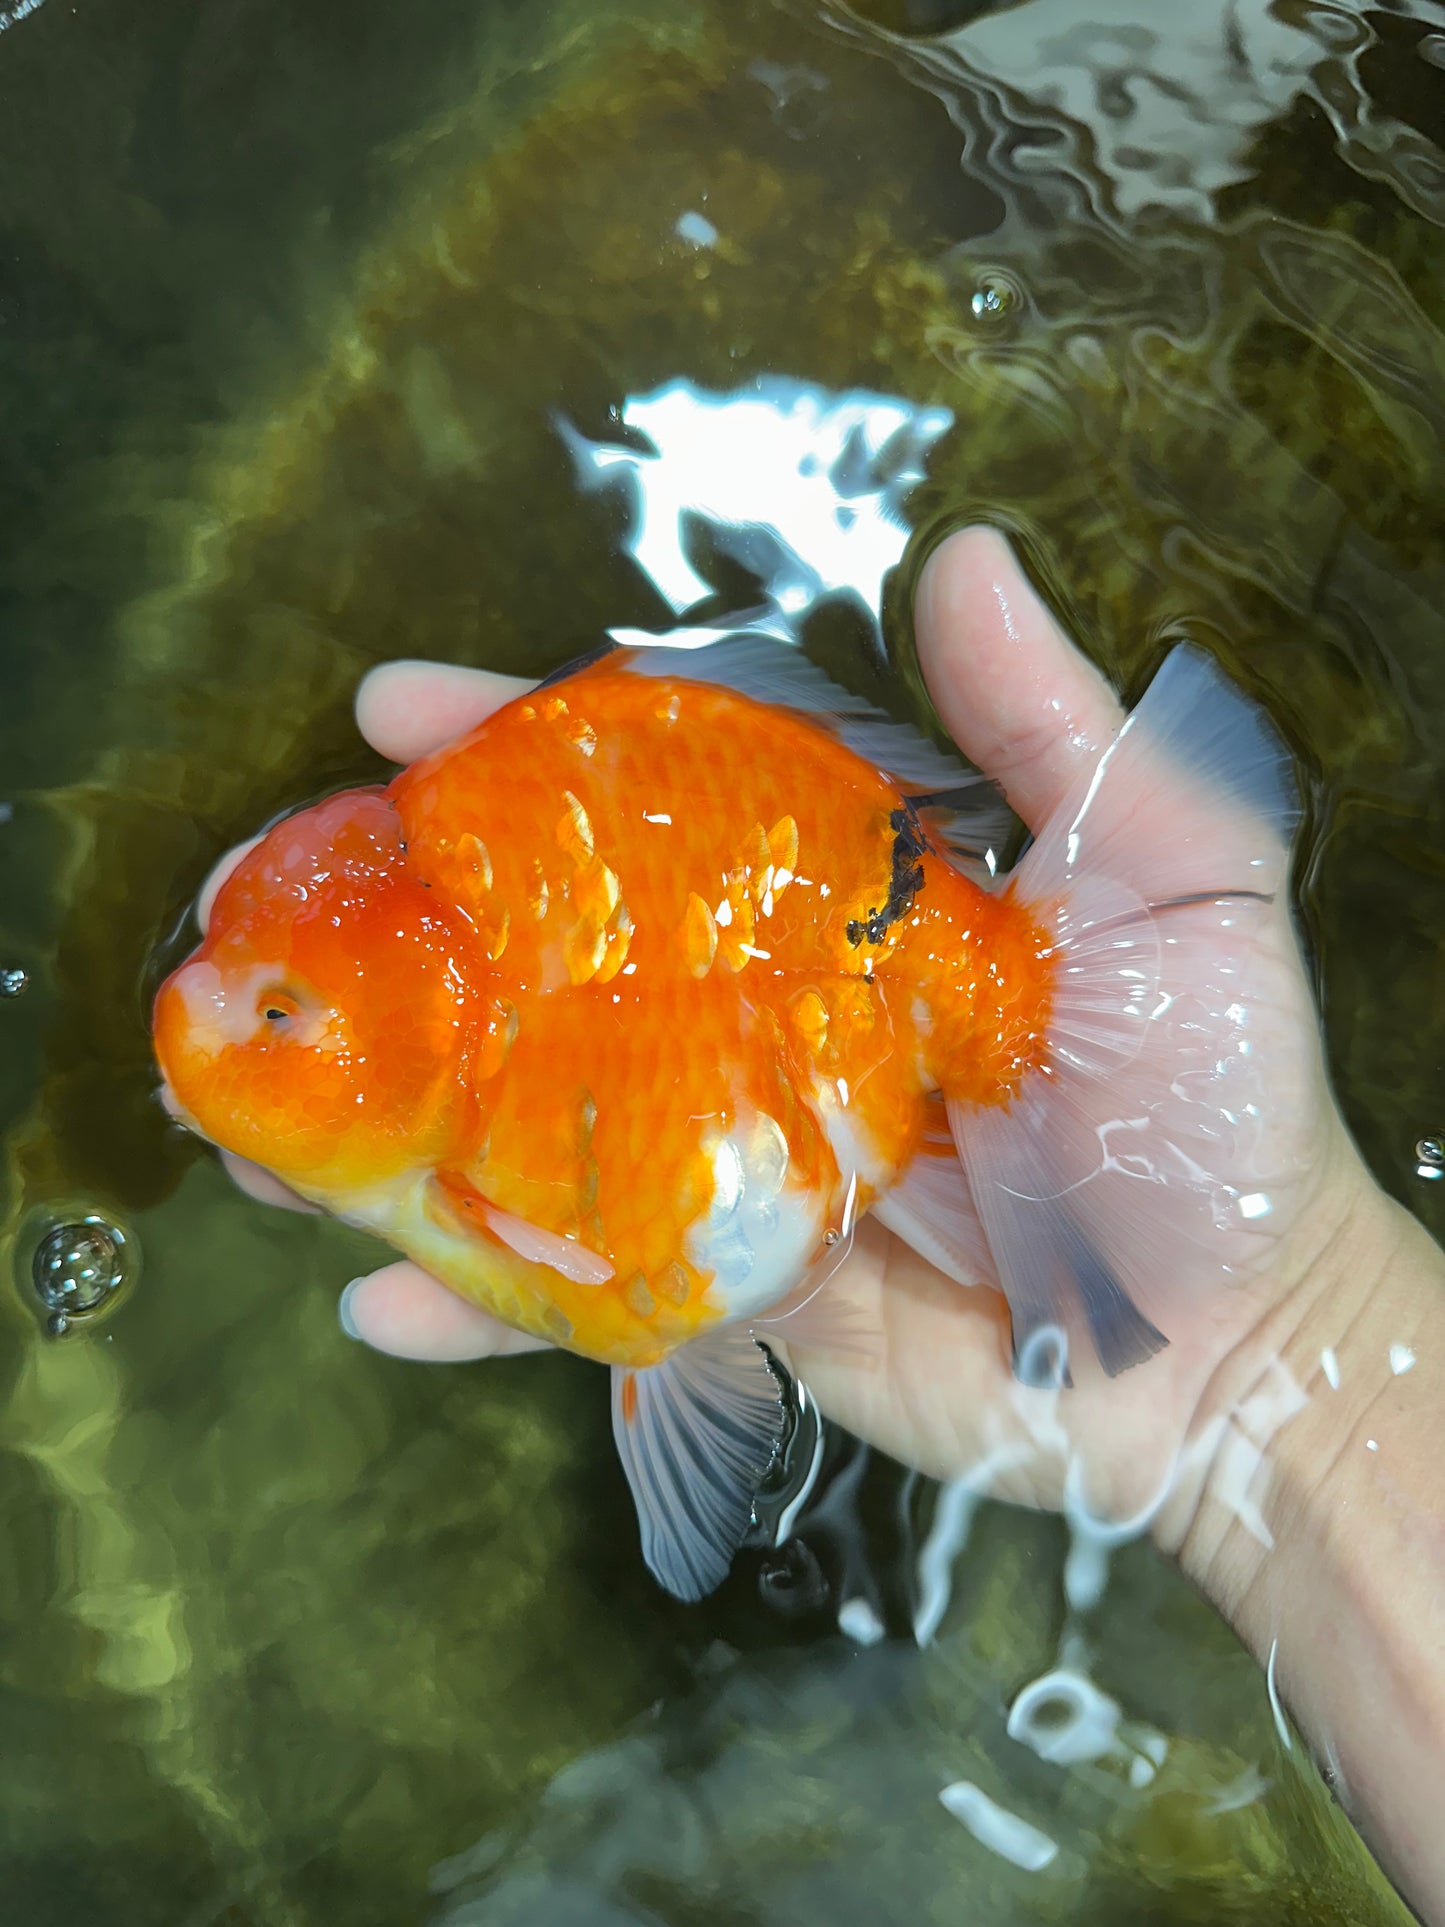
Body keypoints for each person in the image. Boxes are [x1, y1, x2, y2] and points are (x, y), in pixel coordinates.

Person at [209, 529, 1445, 1920]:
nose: (206, 1016)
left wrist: (1277, 1324)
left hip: (842, 987)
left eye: (274, 1017)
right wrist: (1275, 1367)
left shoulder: (482, 1075)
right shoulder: (455, 978)